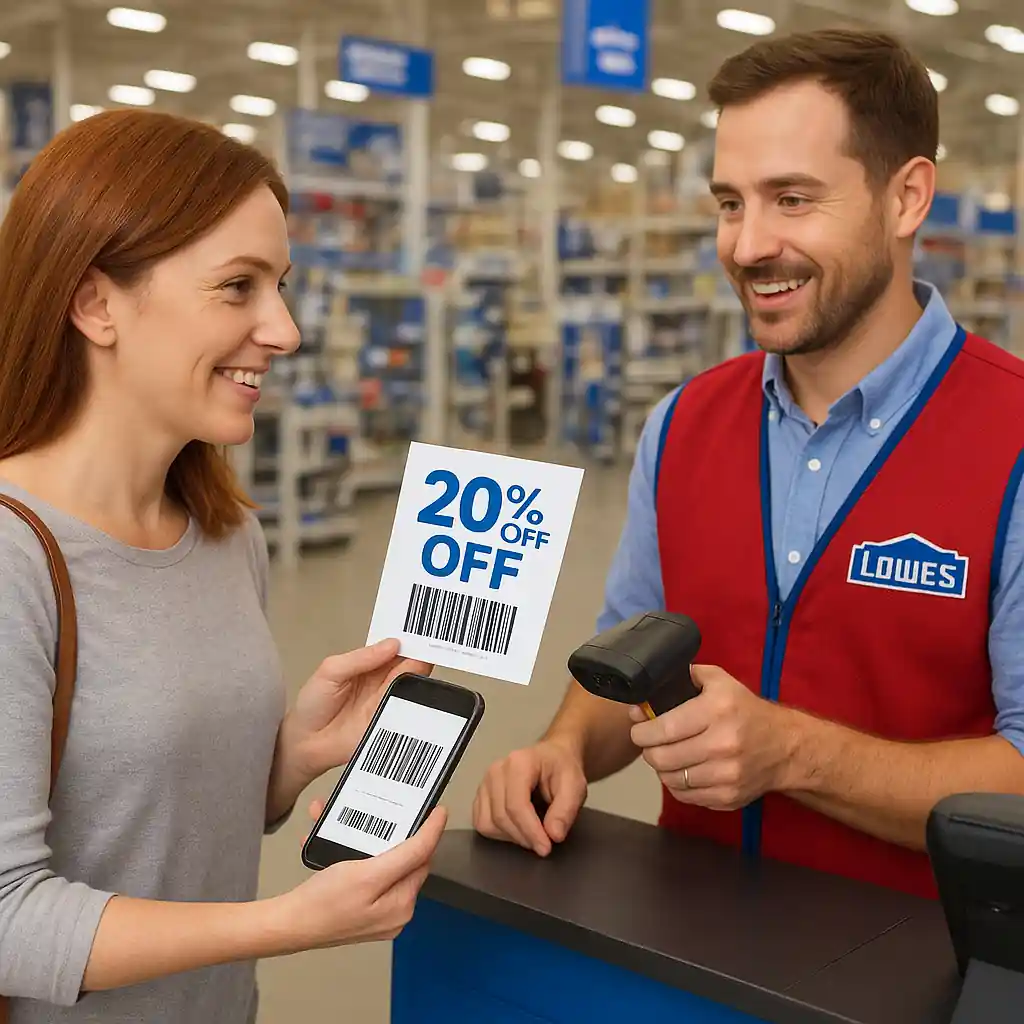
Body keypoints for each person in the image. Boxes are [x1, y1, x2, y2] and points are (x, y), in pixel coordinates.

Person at [473, 27, 1024, 900]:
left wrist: (793, 753)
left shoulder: (1012, 439)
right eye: (731, 203)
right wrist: (563, 748)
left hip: (926, 967)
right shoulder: (684, 423)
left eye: (792, 199)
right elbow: (630, 667)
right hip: (688, 949)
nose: (747, 244)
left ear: (907, 197)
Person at [0, 109, 447, 1023]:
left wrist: (288, 757)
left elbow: (160, 822)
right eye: (237, 287)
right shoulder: (13, 559)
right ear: (95, 304)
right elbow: (7, 918)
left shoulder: (224, 532)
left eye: (280, 286)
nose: (282, 329)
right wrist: (285, 923)